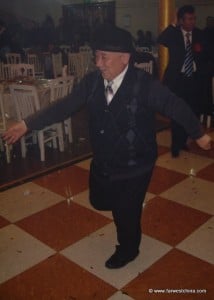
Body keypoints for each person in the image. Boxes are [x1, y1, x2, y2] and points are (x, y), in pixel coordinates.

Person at [2, 24, 211, 269]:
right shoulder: (92, 82)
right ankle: (120, 206)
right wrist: (28, 124)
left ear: (125, 58)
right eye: (96, 56)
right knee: (100, 200)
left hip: (137, 161)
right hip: (104, 158)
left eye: (104, 57)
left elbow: (176, 106)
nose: (98, 63)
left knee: (126, 211)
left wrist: (199, 134)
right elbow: (65, 106)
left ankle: (128, 250)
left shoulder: (145, 85)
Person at [157, 5, 207, 157]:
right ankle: (176, 144)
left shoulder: (199, 34)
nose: (192, 22)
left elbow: (206, 54)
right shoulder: (174, 34)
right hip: (177, 80)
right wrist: (172, 24)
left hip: (194, 80)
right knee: (177, 112)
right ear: (181, 20)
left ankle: (183, 140)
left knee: (192, 111)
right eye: (189, 19)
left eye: (194, 18)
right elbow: (161, 39)